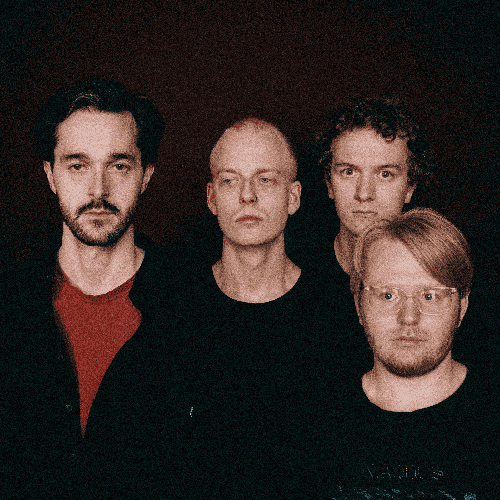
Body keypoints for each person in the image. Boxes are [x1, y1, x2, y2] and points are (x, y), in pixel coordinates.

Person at [1, 78, 192, 499]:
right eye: (78, 165)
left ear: (145, 176)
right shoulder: (9, 305)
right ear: (50, 175)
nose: (98, 190)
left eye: (119, 165)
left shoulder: (194, 309)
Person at [177, 118, 355, 497]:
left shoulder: (337, 313)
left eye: (265, 180)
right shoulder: (175, 310)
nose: (247, 196)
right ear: (212, 198)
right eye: (230, 180)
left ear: (294, 197)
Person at [305, 208, 499, 499]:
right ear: (359, 306)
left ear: (462, 306)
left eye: (430, 296)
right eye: (388, 295)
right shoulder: (309, 426)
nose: (408, 317)